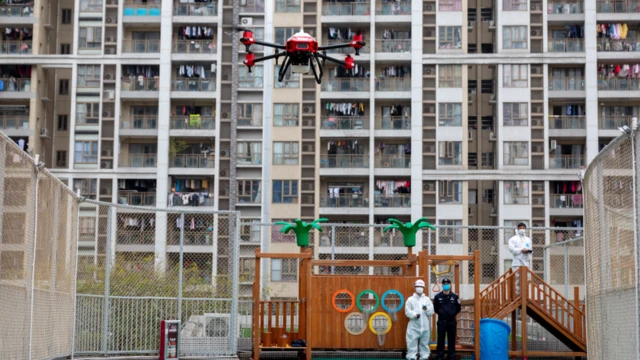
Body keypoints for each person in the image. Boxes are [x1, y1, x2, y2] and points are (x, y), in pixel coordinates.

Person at [405, 279, 434, 360]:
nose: (419, 288)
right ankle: (412, 357)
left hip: (424, 326)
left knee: (424, 343)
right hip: (414, 326)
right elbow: (407, 311)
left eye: (421, 286)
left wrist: (426, 308)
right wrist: (414, 315)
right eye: (418, 286)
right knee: (411, 342)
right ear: (415, 287)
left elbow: (431, 312)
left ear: (424, 288)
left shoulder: (427, 299)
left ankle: (424, 357)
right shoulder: (410, 299)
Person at [434, 278, 461, 360]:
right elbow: (436, 309)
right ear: (442, 285)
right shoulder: (437, 297)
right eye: (444, 283)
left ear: (450, 285)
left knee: (452, 340)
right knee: (440, 339)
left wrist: (452, 314)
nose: (446, 285)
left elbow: (458, 308)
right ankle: (439, 356)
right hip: (442, 322)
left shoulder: (455, 296)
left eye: (447, 283)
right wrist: (443, 314)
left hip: (452, 322)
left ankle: (451, 356)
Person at [508, 222, 532, 296]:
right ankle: (517, 297)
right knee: (517, 281)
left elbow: (530, 249)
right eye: (520, 228)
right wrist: (521, 250)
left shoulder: (528, 239)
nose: (522, 229)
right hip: (517, 262)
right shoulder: (513, 239)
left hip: (525, 262)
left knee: (526, 280)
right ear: (517, 229)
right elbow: (511, 249)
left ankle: (525, 296)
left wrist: (528, 250)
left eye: (523, 228)